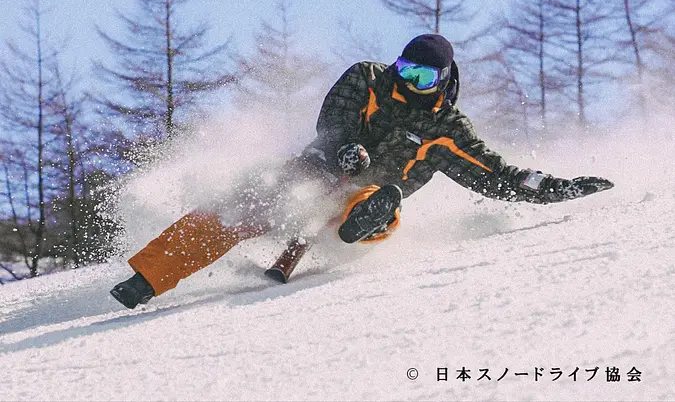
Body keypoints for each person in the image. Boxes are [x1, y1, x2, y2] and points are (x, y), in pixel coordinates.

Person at [110, 34, 613, 309]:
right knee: (246, 202)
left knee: (374, 199)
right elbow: (333, 116)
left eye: (422, 77)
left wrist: (550, 189)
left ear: (443, 81)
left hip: (362, 196)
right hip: (316, 170)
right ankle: (148, 277)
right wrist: (345, 145)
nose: (409, 82)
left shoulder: (446, 129)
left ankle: (368, 217)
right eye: (405, 69)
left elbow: (497, 175)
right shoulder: (369, 78)